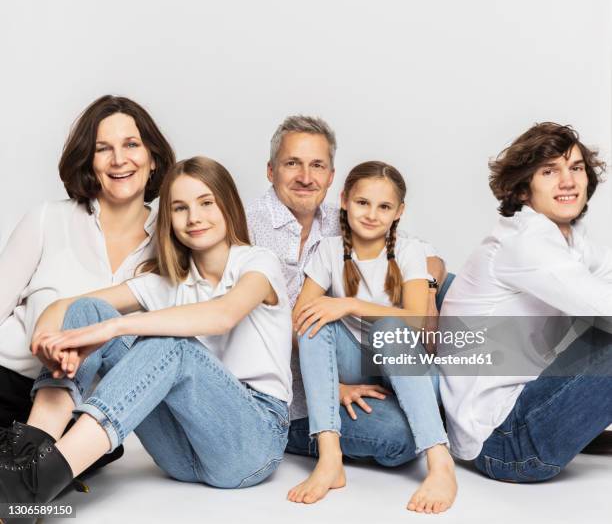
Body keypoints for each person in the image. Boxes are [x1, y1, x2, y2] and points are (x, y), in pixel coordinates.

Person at [0, 157, 292, 516]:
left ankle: (34, 485)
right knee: (88, 311)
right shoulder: (165, 282)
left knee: (171, 346)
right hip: (180, 454)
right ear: (169, 219)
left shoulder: (258, 263)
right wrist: (47, 335)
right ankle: (28, 455)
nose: (194, 217)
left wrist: (118, 326)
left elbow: (223, 314)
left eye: (206, 202)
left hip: (251, 443)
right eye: (180, 208)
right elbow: (72, 307)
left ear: (227, 204)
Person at [0, 95, 175, 469]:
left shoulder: (172, 249)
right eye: (103, 149)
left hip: (84, 415)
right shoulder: (48, 220)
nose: (119, 160)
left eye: (131, 144)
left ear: (153, 158)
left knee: (92, 452)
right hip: (8, 382)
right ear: (88, 161)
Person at [246, 113, 449, 426]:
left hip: (364, 348)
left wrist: (430, 287)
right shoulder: (247, 229)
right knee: (396, 435)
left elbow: (428, 257)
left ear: (331, 176)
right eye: (292, 164)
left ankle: (458, 395)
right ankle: (423, 407)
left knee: (449, 288)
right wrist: (333, 386)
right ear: (271, 171)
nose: (305, 177)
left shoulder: (341, 218)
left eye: (317, 165)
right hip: (295, 381)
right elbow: (255, 328)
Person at [440, 122, 612, 482]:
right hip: (503, 442)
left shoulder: (567, 237)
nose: (569, 181)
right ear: (522, 190)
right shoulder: (525, 243)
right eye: (549, 171)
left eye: (576, 168)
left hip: (524, 404)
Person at [287, 161, 456, 513]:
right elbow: (297, 322)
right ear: (345, 200)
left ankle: (440, 463)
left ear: (399, 212)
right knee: (312, 320)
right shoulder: (328, 250)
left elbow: (413, 320)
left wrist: (349, 304)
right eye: (363, 203)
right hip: (356, 367)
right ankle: (329, 457)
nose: (372, 215)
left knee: (389, 327)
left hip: (410, 366)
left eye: (384, 207)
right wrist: (336, 386)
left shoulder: (409, 251)